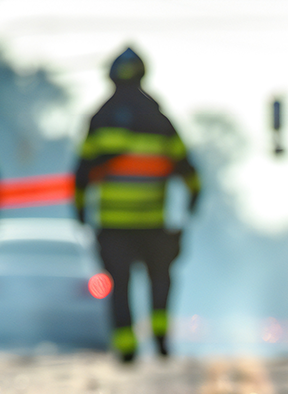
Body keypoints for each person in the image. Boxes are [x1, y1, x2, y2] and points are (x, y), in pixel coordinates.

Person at [74, 46, 200, 362]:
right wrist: (191, 205)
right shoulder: (159, 118)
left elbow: (82, 172)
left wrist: (79, 210)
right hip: (153, 223)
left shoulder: (100, 118)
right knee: (160, 283)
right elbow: (188, 170)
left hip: (113, 225)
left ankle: (126, 348)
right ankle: (160, 341)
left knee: (119, 287)